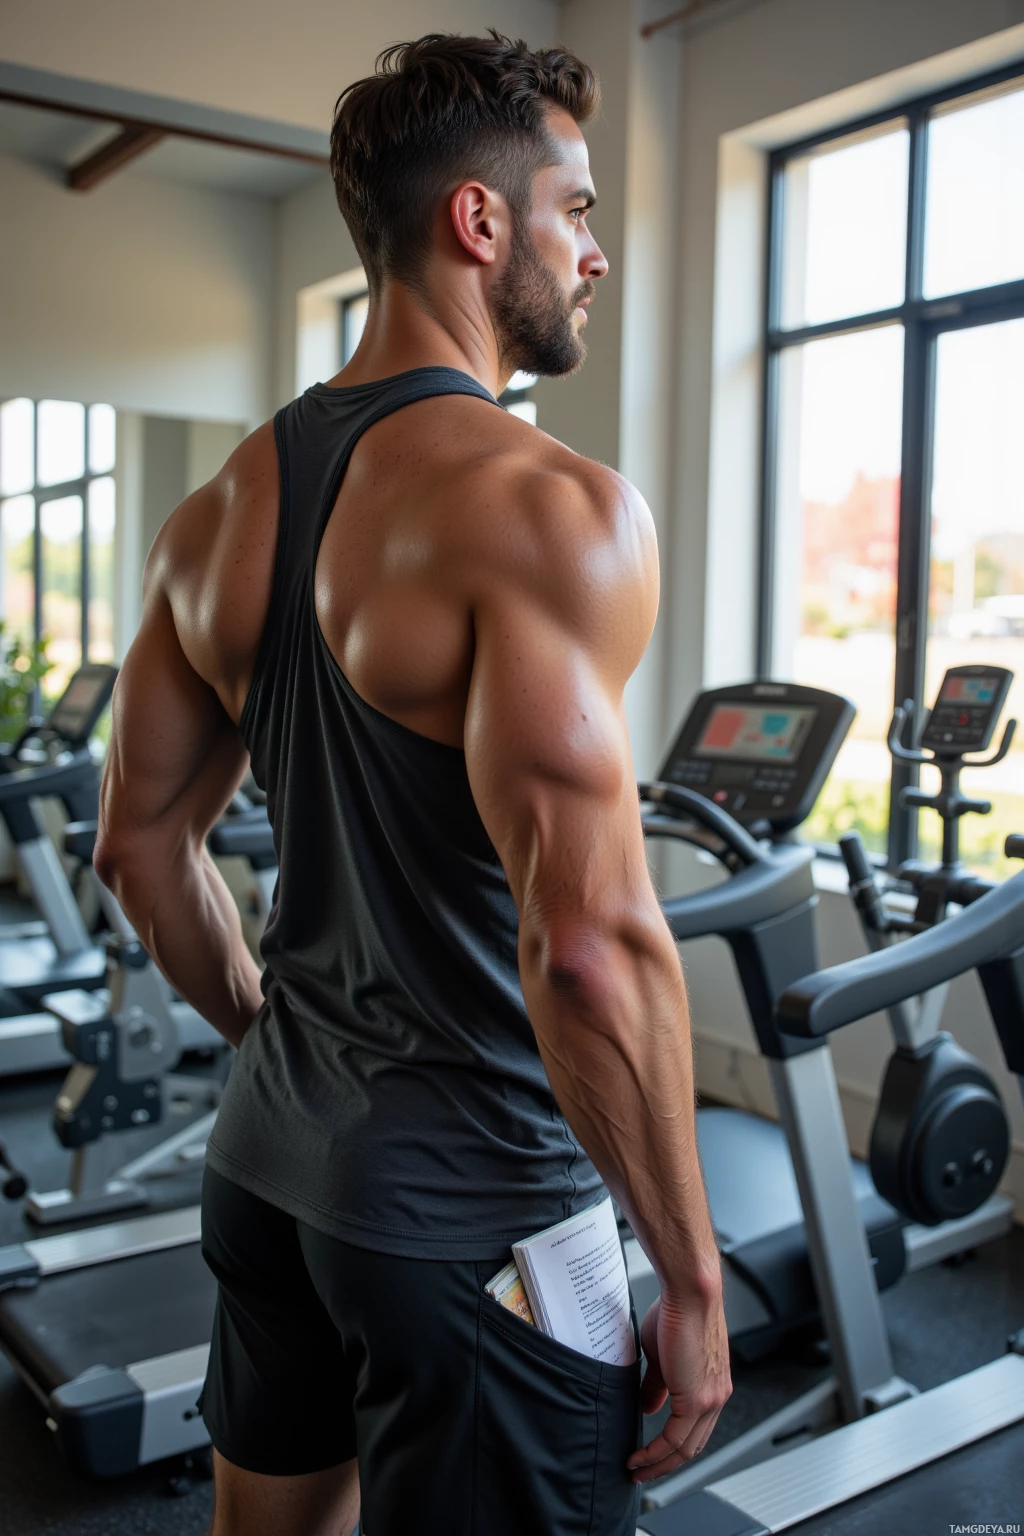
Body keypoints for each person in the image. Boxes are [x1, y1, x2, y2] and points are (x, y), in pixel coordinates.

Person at [95, 31, 730, 1536]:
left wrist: (271, 1026)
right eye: (576, 212)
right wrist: (694, 1281)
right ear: (480, 222)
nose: (594, 256)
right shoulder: (550, 509)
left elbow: (138, 848)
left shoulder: (215, 513)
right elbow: (586, 948)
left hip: (266, 1175)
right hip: (481, 1221)